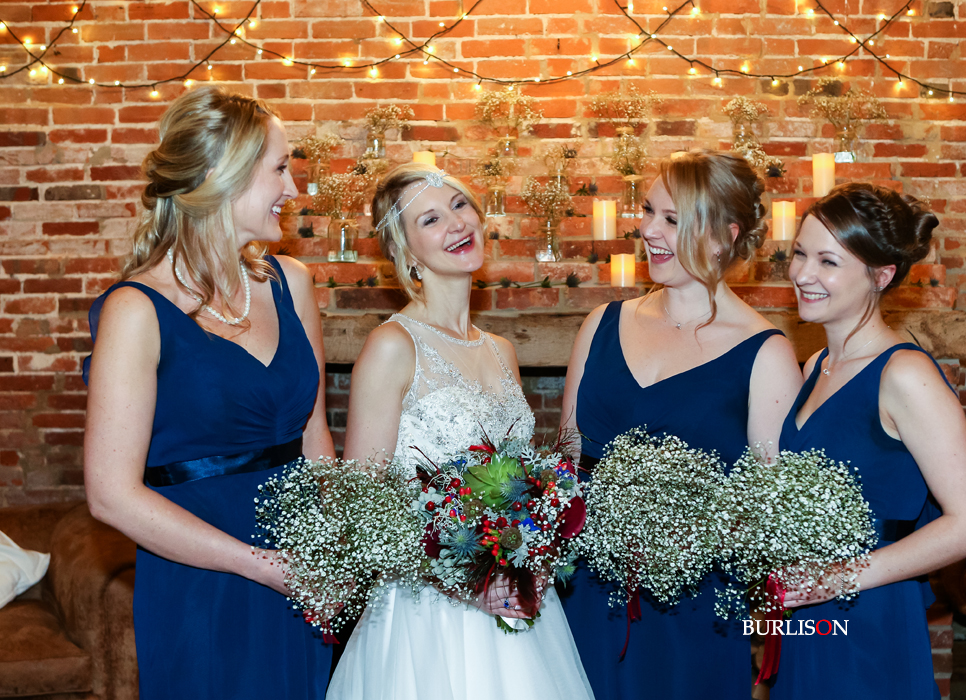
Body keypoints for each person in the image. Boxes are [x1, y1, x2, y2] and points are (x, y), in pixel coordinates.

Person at [83, 87, 334, 700]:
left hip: (307, 579)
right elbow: (110, 496)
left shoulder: (290, 284)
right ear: (223, 175)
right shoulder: (136, 310)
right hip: (203, 583)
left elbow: (316, 438)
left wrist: (338, 547)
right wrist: (263, 566)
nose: (293, 189)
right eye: (279, 168)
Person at [326, 163, 593, 700]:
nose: (456, 223)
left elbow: (519, 483)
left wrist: (534, 552)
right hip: (427, 622)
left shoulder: (502, 351)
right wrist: (465, 584)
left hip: (517, 610)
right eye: (430, 217)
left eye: (460, 205)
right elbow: (362, 509)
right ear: (404, 250)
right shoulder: (393, 346)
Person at [558, 151, 804, 699]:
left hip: (690, 607)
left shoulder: (765, 354)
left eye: (672, 219)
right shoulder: (602, 323)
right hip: (582, 591)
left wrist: (685, 538)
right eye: (648, 212)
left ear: (723, 236)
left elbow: (767, 516)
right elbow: (567, 458)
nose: (647, 230)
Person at [776, 182, 966, 698]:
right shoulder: (816, 366)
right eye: (800, 254)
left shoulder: (904, 374)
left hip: (870, 614)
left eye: (828, 262)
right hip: (810, 616)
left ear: (881, 275)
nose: (803, 274)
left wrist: (836, 578)